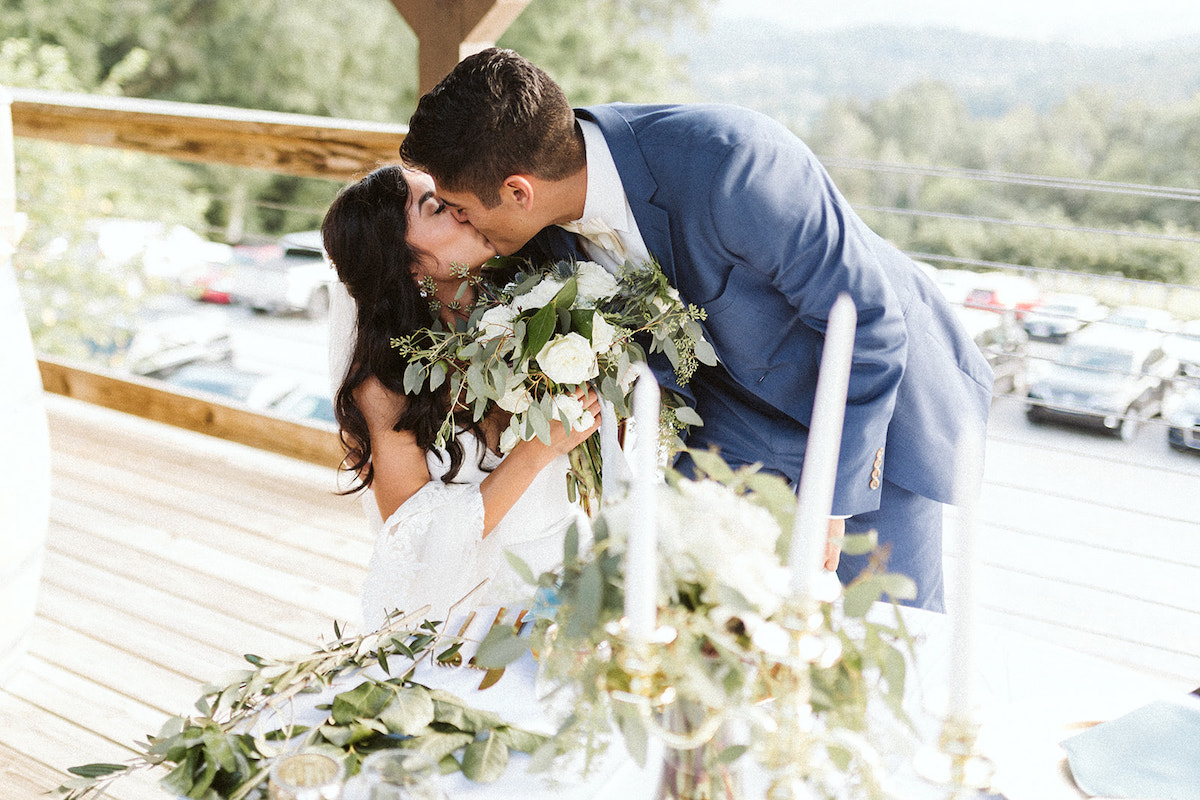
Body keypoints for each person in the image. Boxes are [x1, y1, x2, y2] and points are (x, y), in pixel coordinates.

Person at [397, 48, 994, 612]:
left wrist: (829, 501)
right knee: (696, 615)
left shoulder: (734, 164)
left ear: (518, 191)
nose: (459, 223)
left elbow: (870, 326)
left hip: (873, 413)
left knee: (889, 633)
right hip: (729, 424)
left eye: (461, 209)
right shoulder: (543, 232)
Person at [321, 164, 601, 631]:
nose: (463, 207)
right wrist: (535, 452)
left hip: (573, 567)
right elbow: (417, 546)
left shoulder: (541, 302)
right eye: (438, 207)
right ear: (409, 265)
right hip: (474, 613)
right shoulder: (386, 388)